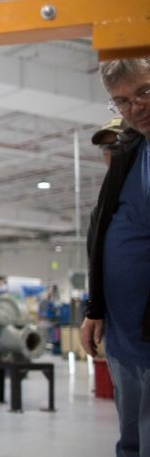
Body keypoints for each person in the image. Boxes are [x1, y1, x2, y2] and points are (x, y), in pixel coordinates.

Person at [80, 57, 150, 457]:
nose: (135, 107)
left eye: (144, 91)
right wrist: (96, 307)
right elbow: (102, 235)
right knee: (130, 442)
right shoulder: (130, 151)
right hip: (124, 334)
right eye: (121, 101)